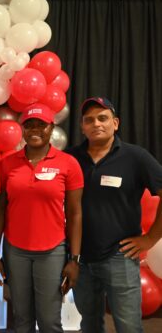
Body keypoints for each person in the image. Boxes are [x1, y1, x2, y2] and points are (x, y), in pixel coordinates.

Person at [66, 97, 162, 333]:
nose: (96, 124)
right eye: (89, 120)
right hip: (80, 259)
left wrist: (150, 238)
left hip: (120, 256)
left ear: (115, 123)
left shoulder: (135, 157)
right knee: (89, 325)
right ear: (82, 127)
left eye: (103, 118)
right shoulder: (70, 159)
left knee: (128, 326)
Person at [0, 104, 83, 333]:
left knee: (50, 321)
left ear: (51, 128)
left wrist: (74, 260)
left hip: (52, 252)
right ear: (22, 129)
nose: (34, 130)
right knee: (21, 320)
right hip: (16, 251)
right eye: (29, 125)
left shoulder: (68, 164)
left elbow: (75, 213)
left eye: (41, 125)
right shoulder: (8, 163)